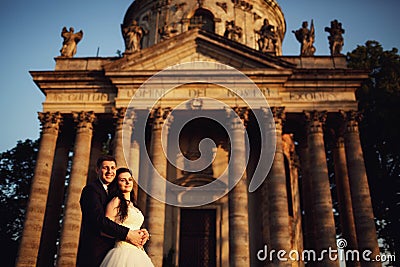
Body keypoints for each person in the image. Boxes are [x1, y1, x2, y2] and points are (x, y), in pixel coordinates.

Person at [77, 155, 144, 267]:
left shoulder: (116, 195)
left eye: (113, 168)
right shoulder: (91, 190)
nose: (110, 171)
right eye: (105, 168)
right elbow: (98, 220)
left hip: (120, 250)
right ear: (97, 170)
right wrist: (128, 234)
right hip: (95, 251)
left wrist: (141, 233)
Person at [100, 167, 154, 267]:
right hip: (122, 251)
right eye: (122, 180)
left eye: (129, 180)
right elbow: (105, 229)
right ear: (117, 183)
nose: (127, 182)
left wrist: (143, 233)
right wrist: (127, 236)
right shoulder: (116, 201)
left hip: (139, 253)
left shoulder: (133, 205)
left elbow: (132, 226)